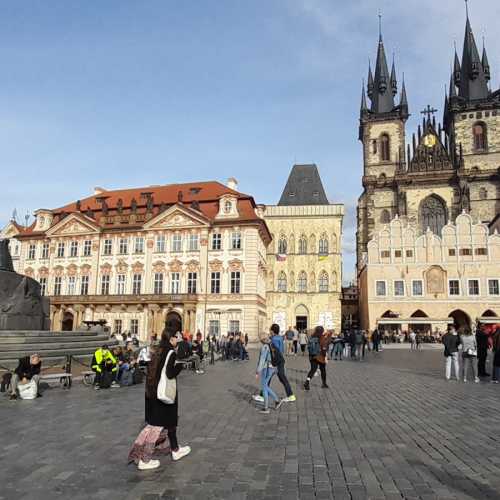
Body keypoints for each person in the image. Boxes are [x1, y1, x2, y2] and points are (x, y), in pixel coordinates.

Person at [131, 331, 191, 469]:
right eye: (177, 337)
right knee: (156, 426)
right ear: (171, 339)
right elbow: (170, 373)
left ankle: (175, 449)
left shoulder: (157, 349)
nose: (179, 340)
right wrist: (180, 365)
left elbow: (148, 366)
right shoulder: (170, 352)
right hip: (163, 394)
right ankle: (145, 459)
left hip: (153, 391)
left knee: (170, 423)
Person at [254, 335, 282, 414]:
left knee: (264, 386)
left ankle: (274, 402)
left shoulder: (265, 347)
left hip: (266, 368)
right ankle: (268, 406)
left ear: (262, 340)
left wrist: (257, 371)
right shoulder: (272, 344)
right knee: (265, 386)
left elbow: (262, 360)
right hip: (273, 367)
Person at [269, 324, 296, 402]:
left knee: (268, 378)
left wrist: (271, 361)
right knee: (282, 378)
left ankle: (262, 395)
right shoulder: (280, 338)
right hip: (280, 360)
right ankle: (290, 395)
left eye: (270, 329)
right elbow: (281, 350)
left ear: (272, 331)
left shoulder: (273, 339)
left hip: (276, 361)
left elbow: (274, 352)